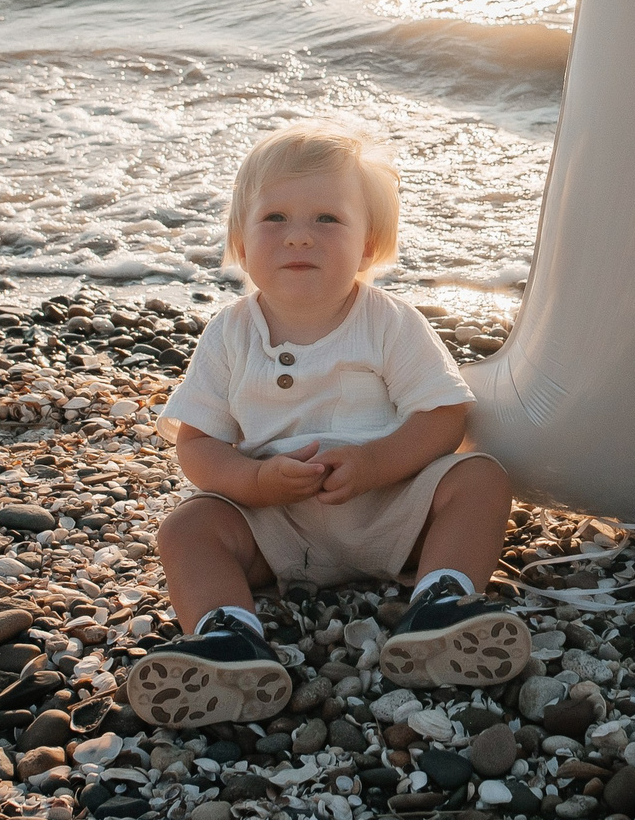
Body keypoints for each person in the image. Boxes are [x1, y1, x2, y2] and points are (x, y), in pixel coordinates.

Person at [123, 120, 526, 729]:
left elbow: (444, 416)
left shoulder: (389, 322)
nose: (299, 239)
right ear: (240, 238)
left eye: (327, 220)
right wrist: (254, 483)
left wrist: (376, 464)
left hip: (391, 512)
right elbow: (198, 444)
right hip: (274, 527)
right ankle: (228, 638)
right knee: (187, 528)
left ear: (369, 244)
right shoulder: (230, 333)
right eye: (275, 219)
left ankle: (441, 603)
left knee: (480, 479)